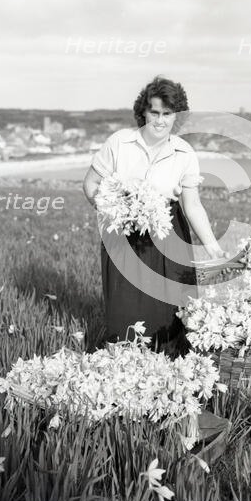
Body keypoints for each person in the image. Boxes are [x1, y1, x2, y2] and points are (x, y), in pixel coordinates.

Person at [83, 75, 230, 358]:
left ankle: (171, 366)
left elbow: (193, 205)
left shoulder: (184, 153)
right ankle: (123, 363)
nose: (160, 120)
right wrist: (113, 208)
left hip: (169, 233)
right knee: (125, 306)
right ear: (144, 111)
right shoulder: (119, 143)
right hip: (123, 235)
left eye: (167, 114)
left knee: (170, 309)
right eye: (154, 112)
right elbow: (90, 185)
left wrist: (213, 246)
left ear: (176, 116)